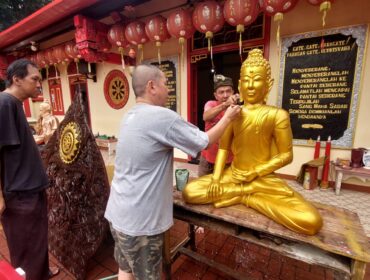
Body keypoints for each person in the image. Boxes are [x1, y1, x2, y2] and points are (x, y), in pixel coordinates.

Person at [104, 64, 240, 280]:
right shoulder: (161, 117)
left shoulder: (129, 115)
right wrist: (229, 117)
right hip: (141, 224)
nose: (169, 89)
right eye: (166, 84)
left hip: (117, 214)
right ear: (152, 86)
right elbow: (203, 141)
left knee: (126, 269)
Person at [183, 49, 323, 236]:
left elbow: (286, 155)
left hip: (262, 178)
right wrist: (216, 178)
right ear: (240, 85)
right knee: (190, 192)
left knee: (311, 221)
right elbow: (223, 148)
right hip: (234, 175)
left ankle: (246, 195)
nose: (250, 85)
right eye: (246, 81)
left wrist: (255, 173)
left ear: (268, 84)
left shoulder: (278, 115)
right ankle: (245, 193)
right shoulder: (234, 113)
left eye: (256, 79)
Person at [0, 59, 59, 279]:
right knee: (25, 245)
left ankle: (41, 272)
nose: (38, 85)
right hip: (19, 193)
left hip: (31, 189)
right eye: (34, 79)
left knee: (37, 239)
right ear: (16, 79)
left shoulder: (15, 104)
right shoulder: (4, 104)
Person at [198, 74, 239, 176]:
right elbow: (206, 116)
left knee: (224, 188)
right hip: (207, 158)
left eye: (228, 91)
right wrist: (225, 105)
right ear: (216, 95)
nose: (225, 95)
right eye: (221, 92)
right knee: (203, 187)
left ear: (233, 93)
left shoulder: (237, 109)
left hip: (228, 159)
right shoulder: (211, 104)